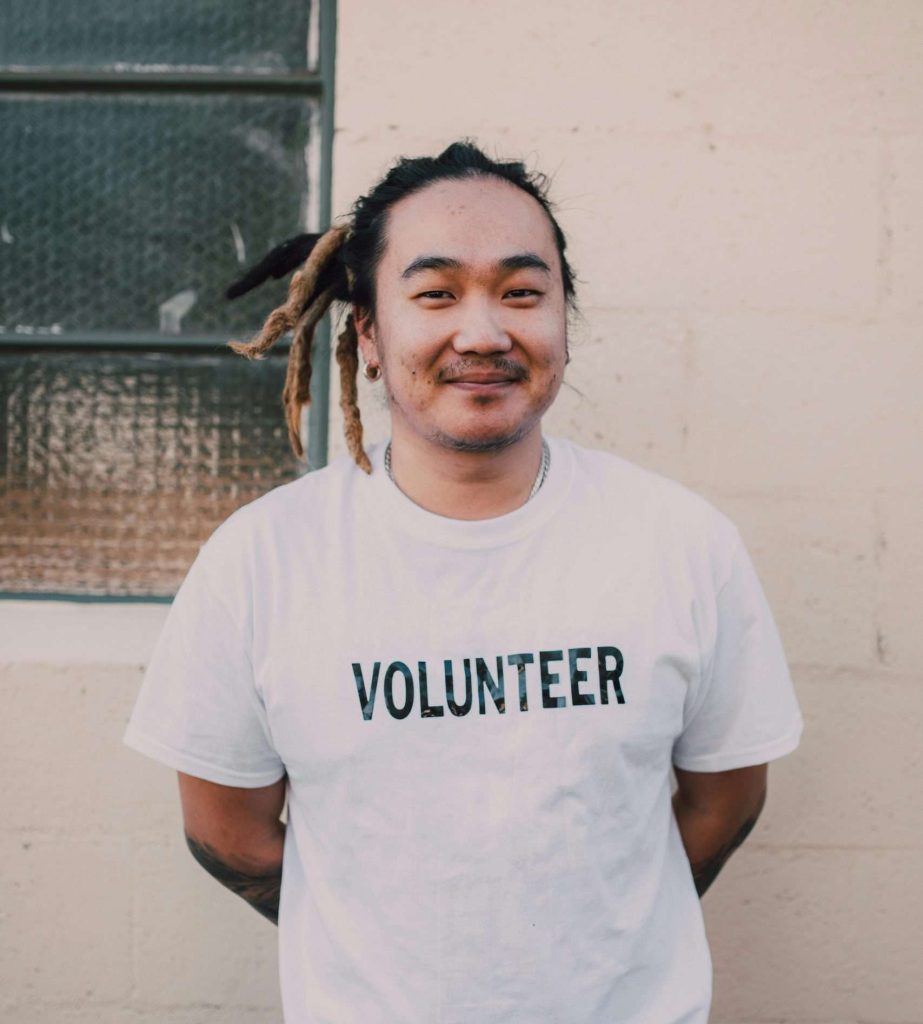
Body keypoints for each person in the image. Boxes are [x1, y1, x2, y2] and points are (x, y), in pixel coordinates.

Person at [124, 141, 803, 1023]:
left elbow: (723, 803)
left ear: (563, 319)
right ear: (367, 330)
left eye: (523, 293)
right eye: (435, 293)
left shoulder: (681, 543)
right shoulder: (262, 562)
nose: (482, 333)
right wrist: (381, 944)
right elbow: (230, 837)